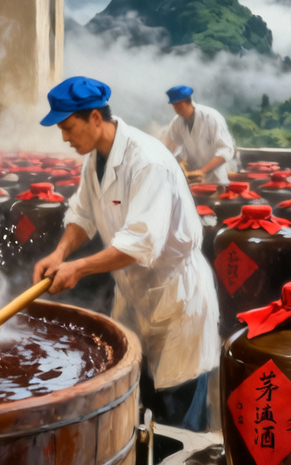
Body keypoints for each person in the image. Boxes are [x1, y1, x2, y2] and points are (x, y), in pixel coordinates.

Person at [32, 76, 220, 431]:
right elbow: (82, 216)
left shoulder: (147, 161)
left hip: (175, 298)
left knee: (176, 420)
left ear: (95, 119)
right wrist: (59, 254)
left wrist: (79, 268)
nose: (65, 138)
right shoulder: (96, 159)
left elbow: (141, 243)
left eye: (69, 128)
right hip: (134, 296)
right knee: (136, 408)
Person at [164, 85, 234, 185]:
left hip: (216, 181)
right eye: (174, 105)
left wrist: (202, 171)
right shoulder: (177, 122)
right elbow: (173, 146)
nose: (176, 109)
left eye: (179, 104)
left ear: (188, 102)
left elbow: (227, 150)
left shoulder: (211, 117)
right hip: (191, 181)